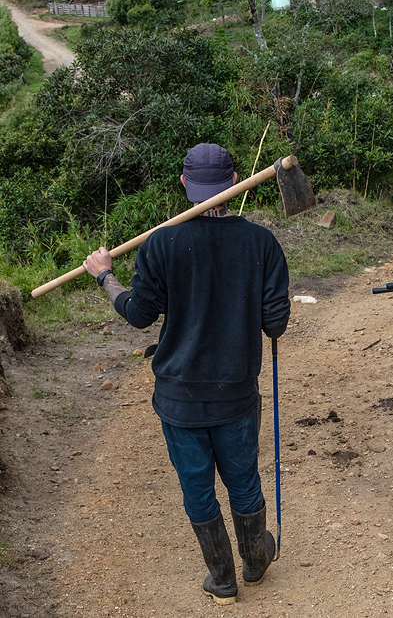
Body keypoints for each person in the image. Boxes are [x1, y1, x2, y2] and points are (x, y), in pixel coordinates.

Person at [83, 143, 290, 604]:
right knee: (243, 480)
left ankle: (222, 580)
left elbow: (138, 315)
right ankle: (256, 563)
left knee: (197, 487)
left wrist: (104, 276)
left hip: (179, 399)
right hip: (236, 393)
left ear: (184, 185)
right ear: (235, 180)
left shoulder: (162, 243)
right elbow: (275, 324)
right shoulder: (261, 243)